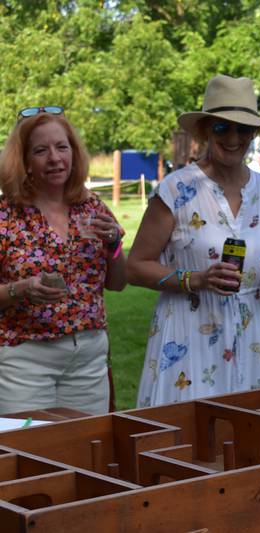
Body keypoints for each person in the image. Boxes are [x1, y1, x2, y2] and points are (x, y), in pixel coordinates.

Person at [128, 75, 260, 407]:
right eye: (222, 128)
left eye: (243, 129)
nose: (233, 138)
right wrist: (196, 279)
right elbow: (134, 267)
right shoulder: (176, 189)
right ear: (205, 130)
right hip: (189, 335)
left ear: (254, 134)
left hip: (254, 336)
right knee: (187, 429)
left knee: (251, 427)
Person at [0, 106, 126, 415]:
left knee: (86, 441)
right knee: (29, 443)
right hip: (25, 359)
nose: (55, 158)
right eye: (41, 151)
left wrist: (114, 244)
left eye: (62, 147)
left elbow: (118, 283)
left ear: (74, 153)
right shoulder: (6, 216)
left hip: (88, 357)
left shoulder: (91, 207)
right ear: (25, 162)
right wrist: (21, 289)